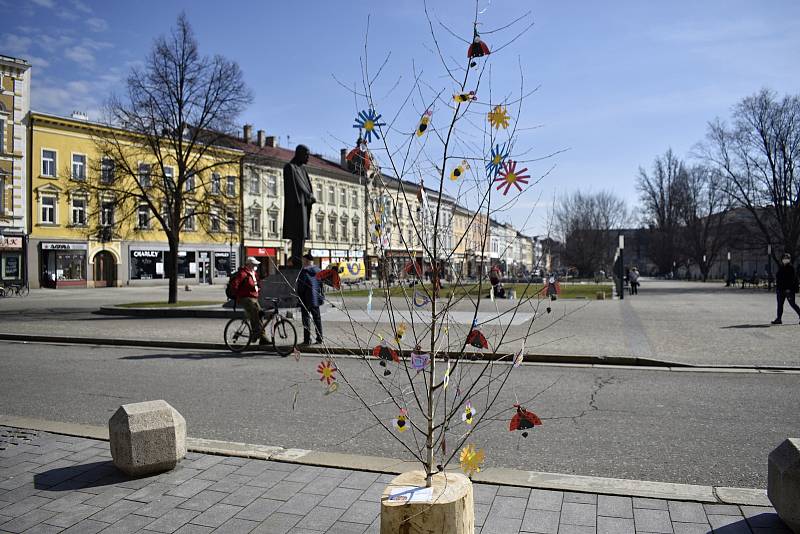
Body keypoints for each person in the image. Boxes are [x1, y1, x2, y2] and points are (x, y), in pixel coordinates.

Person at [282, 145, 316, 267]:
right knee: (297, 236)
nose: (308, 157)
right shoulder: (289, 168)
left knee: (302, 237)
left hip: (304, 207)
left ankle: (298, 261)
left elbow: (308, 188)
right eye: (306, 154)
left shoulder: (303, 170)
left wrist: (310, 196)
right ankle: (296, 261)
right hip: (296, 208)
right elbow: (291, 190)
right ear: (299, 154)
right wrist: (306, 197)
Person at [230, 257, 267, 344]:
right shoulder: (243, 273)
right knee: (256, 314)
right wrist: (237, 295)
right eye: (254, 264)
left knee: (260, 315)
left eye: (256, 264)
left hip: (253, 297)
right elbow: (235, 284)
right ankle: (260, 336)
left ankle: (260, 336)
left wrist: (258, 288)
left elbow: (256, 283)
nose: (256, 266)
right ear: (249, 264)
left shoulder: (253, 273)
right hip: (245, 298)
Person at [297, 253, 324, 344]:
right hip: (316, 298)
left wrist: (298, 297)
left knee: (306, 319)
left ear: (306, 261)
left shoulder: (304, 271)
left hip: (306, 299)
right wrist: (321, 297)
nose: (302, 262)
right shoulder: (318, 270)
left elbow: (301, 286)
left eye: (303, 260)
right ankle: (320, 338)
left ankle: (307, 340)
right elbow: (321, 285)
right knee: (317, 319)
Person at [771, 253, 800, 325]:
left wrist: (789, 288)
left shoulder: (791, 268)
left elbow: (792, 280)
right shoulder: (781, 267)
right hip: (780, 290)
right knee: (780, 305)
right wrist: (777, 287)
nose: (785, 259)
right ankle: (778, 319)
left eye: (787, 258)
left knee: (792, 304)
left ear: (789, 259)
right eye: (784, 258)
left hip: (788, 290)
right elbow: (779, 278)